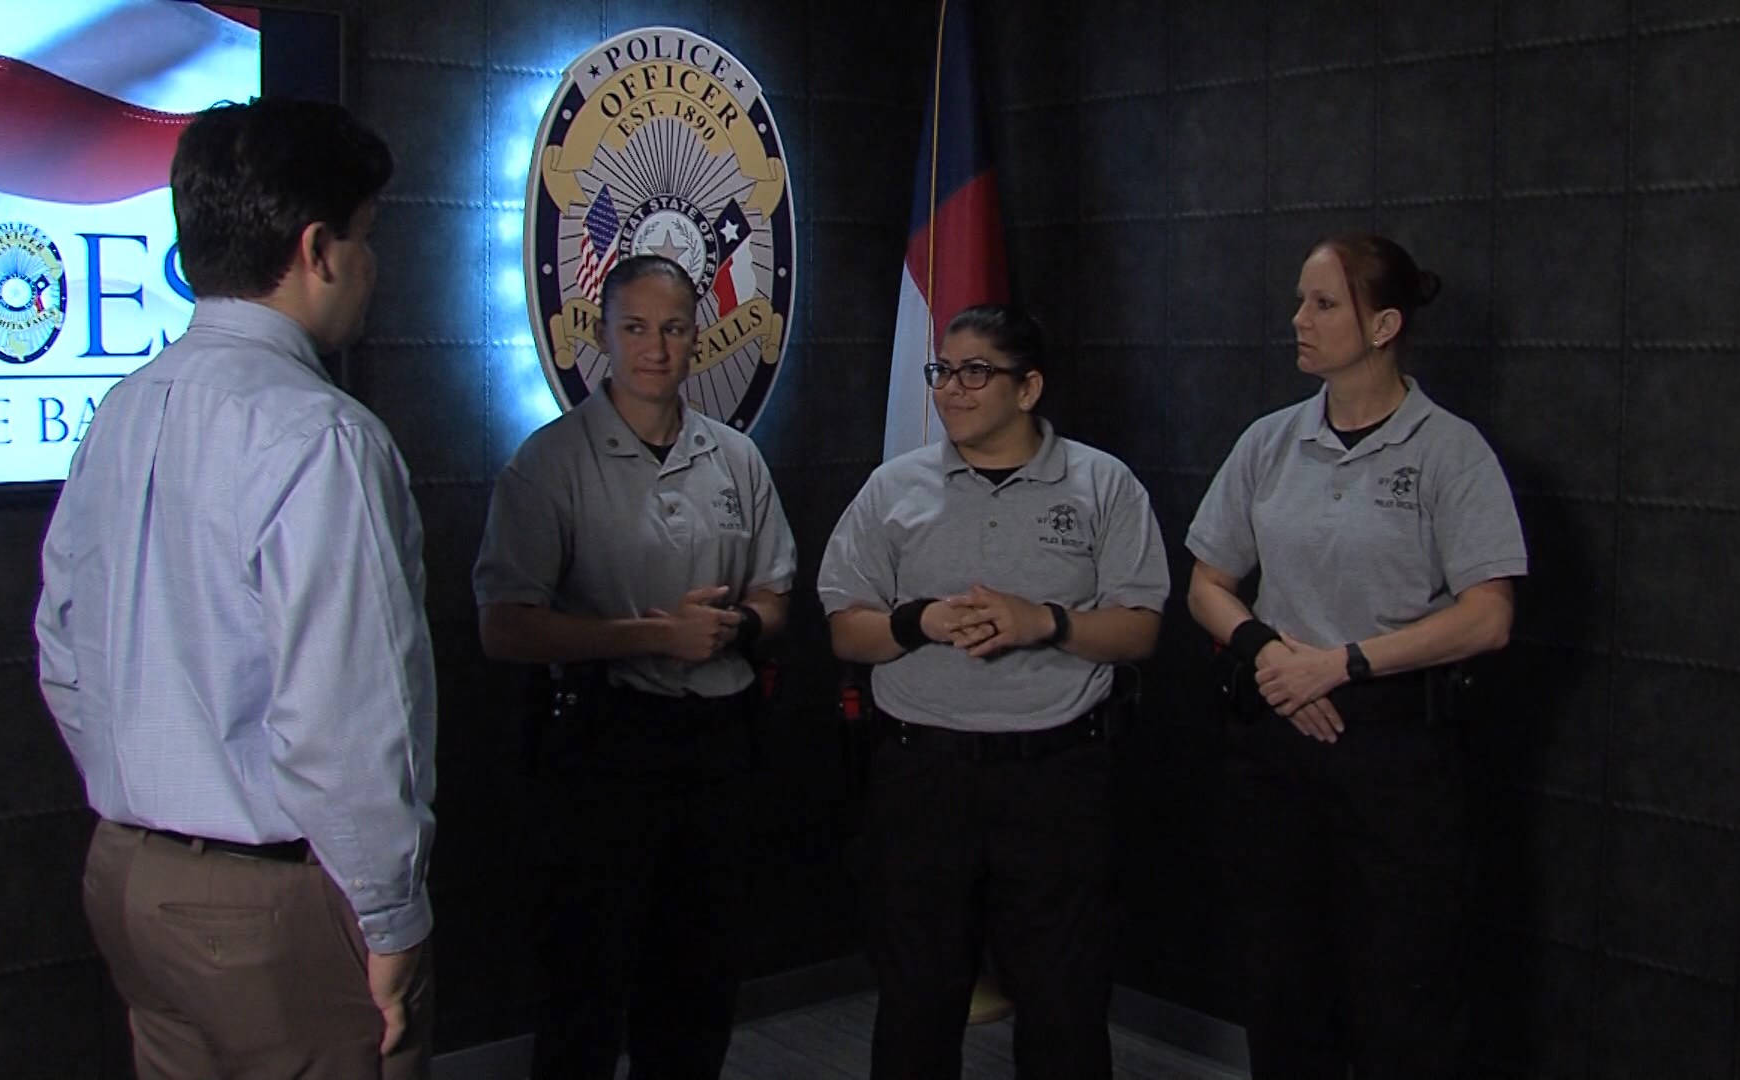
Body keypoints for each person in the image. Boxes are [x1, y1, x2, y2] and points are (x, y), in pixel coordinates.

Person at [34, 99, 434, 1077]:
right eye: (368, 236)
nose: (373, 267)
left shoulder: (119, 412)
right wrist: (392, 919)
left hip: (127, 873)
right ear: (318, 249)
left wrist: (150, 789)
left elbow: (61, 648)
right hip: (270, 906)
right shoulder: (322, 436)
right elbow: (345, 720)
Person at [1186, 234, 1528, 1079]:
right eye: (1301, 301)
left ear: (1383, 325)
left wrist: (1343, 665)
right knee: (1280, 983)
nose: (1298, 320)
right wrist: (1272, 658)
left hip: (1393, 747)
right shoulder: (1269, 441)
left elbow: (1488, 617)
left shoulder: (1449, 450)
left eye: (1323, 304)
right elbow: (1206, 583)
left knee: (1400, 992)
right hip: (1277, 732)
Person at [817, 303, 1170, 1080]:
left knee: (1064, 1001)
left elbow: (1139, 630)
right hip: (922, 777)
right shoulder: (893, 487)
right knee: (916, 997)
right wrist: (924, 621)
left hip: (1056, 778)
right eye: (942, 371)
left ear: (1029, 386)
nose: (951, 389)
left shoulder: (1102, 484)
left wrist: (1041, 621)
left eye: (976, 372)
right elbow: (847, 629)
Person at [473, 254, 796, 1080]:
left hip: (719, 743)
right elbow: (506, 629)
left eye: (675, 329)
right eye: (637, 329)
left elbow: (776, 592)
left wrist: (736, 629)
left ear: (699, 338)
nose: (657, 349)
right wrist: (647, 637)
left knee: (697, 981)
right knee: (585, 984)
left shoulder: (735, 458)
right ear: (602, 336)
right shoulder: (548, 463)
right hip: (603, 743)